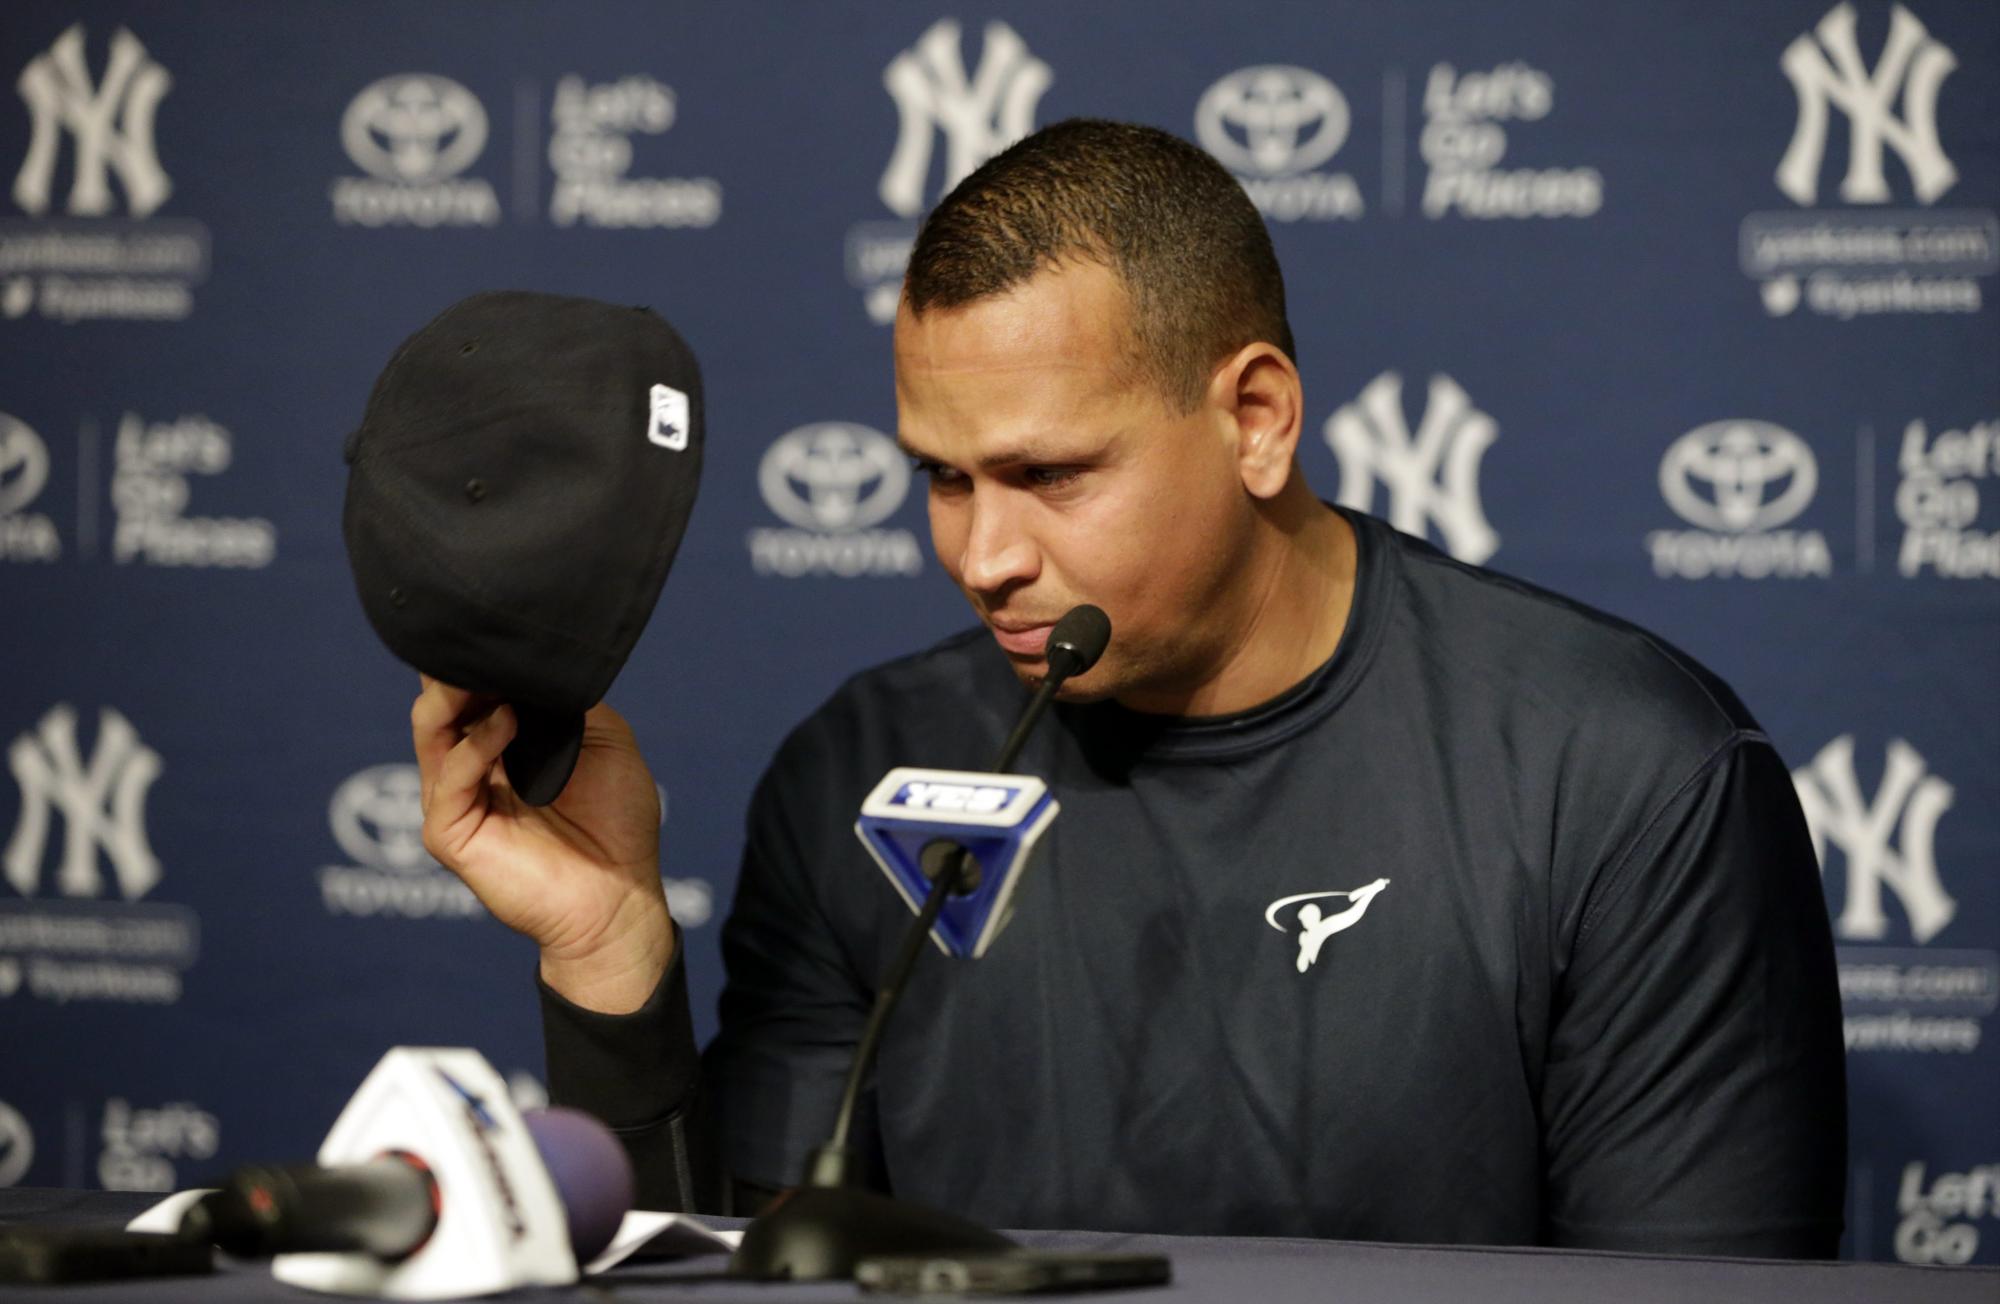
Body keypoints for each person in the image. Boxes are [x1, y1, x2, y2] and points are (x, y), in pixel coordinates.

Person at [410, 120, 1845, 1256]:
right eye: (944, 479)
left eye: (1049, 476)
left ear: (1258, 421)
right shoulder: (865, 767)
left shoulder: (1626, 775)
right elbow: (755, 1264)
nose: (984, 554)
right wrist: (611, 963)